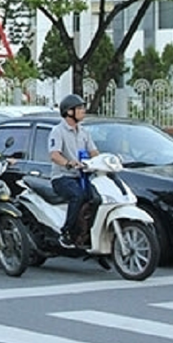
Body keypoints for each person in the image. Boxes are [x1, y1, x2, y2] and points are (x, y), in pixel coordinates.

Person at [49, 93, 99, 248]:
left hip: (82, 176)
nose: (83, 111)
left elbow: (94, 152)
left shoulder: (84, 132)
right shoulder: (58, 131)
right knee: (77, 196)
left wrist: (104, 161)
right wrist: (68, 163)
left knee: (97, 198)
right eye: (80, 108)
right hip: (63, 177)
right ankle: (67, 232)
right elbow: (54, 155)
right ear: (69, 112)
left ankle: (87, 233)